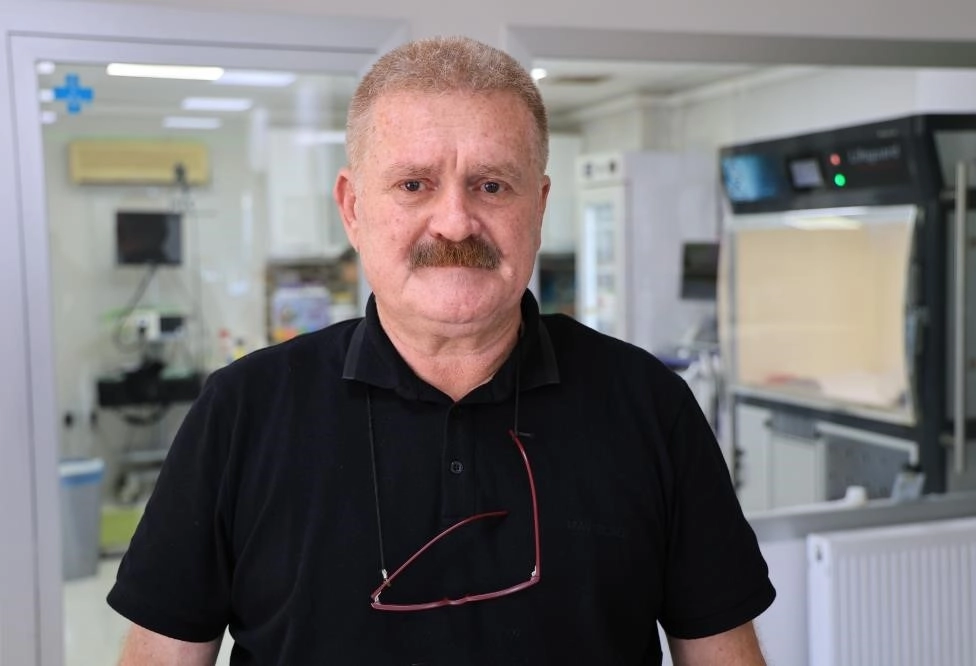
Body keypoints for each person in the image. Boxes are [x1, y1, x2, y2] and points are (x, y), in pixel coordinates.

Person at [108, 36, 775, 665]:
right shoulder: (242, 413)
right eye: (414, 185)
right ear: (352, 207)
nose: (455, 222)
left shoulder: (649, 405)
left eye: (492, 185)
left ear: (539, 206)